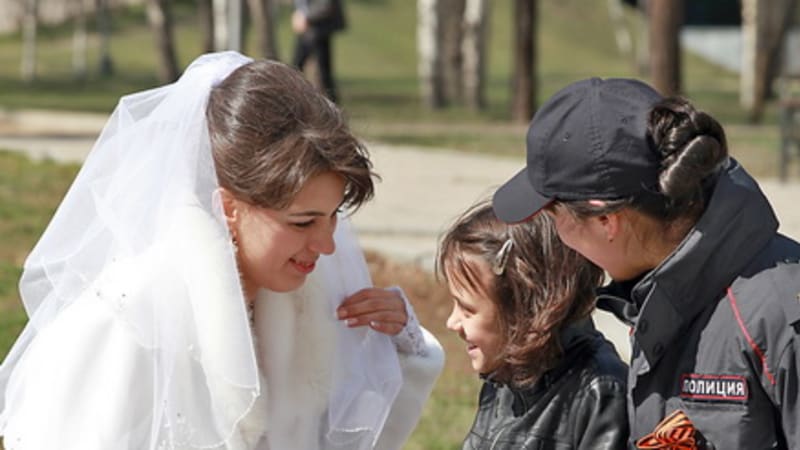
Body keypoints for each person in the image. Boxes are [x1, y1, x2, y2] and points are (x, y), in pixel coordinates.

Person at [0, 51, 444, 450]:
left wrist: (400, 346)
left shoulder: (305, 304)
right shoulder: (127, 321)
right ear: (228, 207)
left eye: (333, 217)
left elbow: (342, 437)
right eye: (302, 222)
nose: (327, 245)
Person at [492, 77, 800, 449]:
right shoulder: (659, 293)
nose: (555, 234)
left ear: (606, 220)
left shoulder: (778, 315)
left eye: (553, 215)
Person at [436, 200, 628, 449]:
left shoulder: (601, 393)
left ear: (526, 308)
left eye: (468, 309)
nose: (452, 322)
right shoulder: (506, 376)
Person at [292, 0, 345, 103]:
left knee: (323, 71)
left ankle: (332, 103)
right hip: (308, 30)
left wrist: (305, 17)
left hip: (318, 30)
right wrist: (298, 15)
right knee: (296, 67)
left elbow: (325, 5)